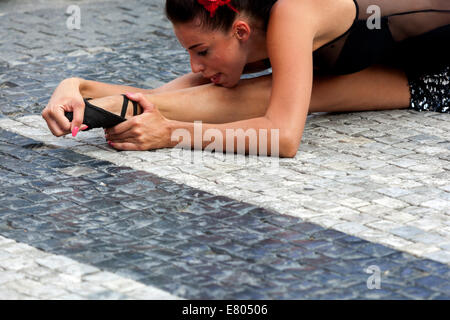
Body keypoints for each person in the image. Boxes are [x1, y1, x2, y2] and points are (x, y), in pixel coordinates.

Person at [41, 0, 450, 157]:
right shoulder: (250, 33)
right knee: (235, 88)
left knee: (270, 94)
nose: (195, 66)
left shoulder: (292, 13)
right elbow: (157, 97)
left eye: (201, 51)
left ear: (240, 32)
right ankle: (94, 107)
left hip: (440, 73)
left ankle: (100, 109)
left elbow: (284, 137)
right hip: (396, 64)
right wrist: (74, 85)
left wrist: (174, 135)